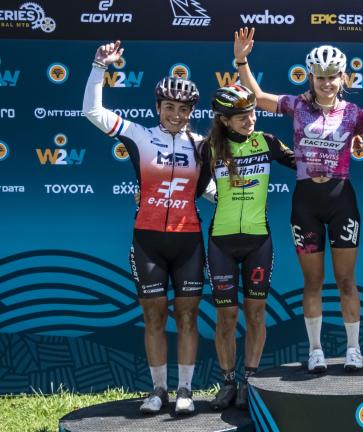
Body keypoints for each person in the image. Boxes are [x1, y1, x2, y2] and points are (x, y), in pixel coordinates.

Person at [233, 28, 363, 372]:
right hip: (306, 202)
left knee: (346, 280)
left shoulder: (352, 113)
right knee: (313, 282)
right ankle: (315, 350)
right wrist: (242, 60)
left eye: (332, 77)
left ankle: (353, 349)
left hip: (341, 200)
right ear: (311, 77)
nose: (327, 83)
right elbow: (257, 97)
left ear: (342, 77)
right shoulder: (298, 105)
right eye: (320, 77)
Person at [83, 41, 208, 415]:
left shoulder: (202, 146)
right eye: (169, 107)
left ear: (191, 112)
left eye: (183, 109)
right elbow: (92, 111)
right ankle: (158, 390)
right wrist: (99, 66)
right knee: (153, 316)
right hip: (148, 241)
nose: (175, 114)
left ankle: (185, 390)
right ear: (157, 107)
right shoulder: (139, 134)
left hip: (188, 242)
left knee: (187, 317)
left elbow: (210, 188)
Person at [204, 84, 295, 410]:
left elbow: (303, 162)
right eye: (241, 116)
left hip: (258, 241)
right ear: (224, 120)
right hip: (222, 242)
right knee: (226, 317)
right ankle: (228, 381)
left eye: (252, 113)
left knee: (256, 314)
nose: (250, 120)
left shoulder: (266, 142)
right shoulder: (209, 148)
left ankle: (250, 381)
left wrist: (339, 145)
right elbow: (188, 182)